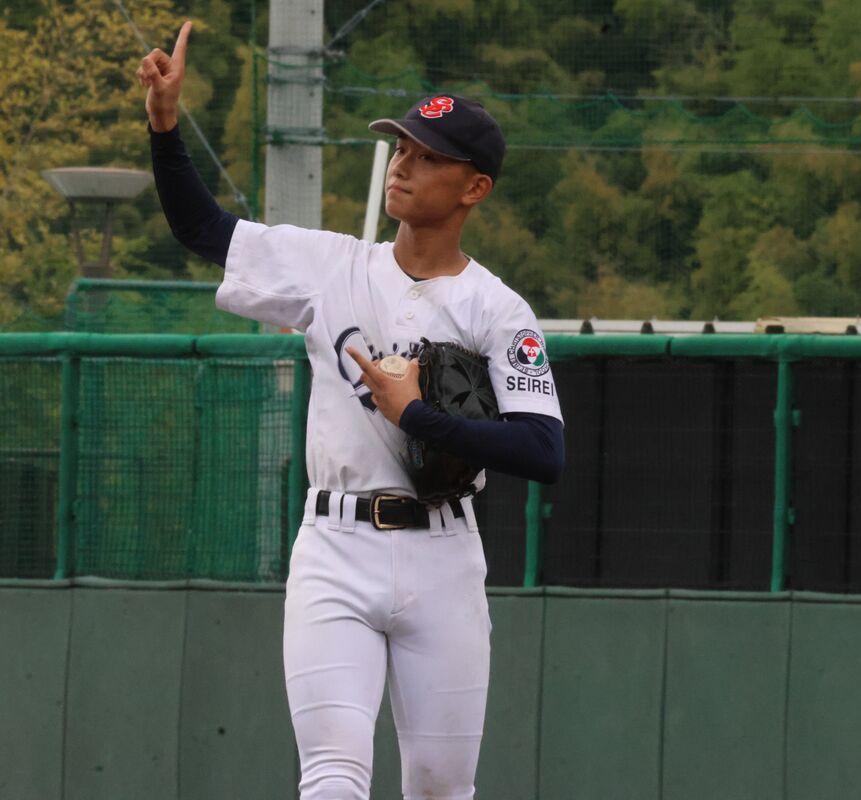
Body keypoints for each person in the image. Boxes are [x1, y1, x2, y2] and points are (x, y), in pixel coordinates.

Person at [138, 22, 565, 800]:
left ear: (474, 188)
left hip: (444, 556)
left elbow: (543, 452)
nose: (404, 163)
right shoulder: (329, 267)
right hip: (335, 548)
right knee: (333, 779)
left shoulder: (498, 310)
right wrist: (165, 126)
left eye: (429, 155)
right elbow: (200, 228)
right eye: (401, 147)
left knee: (441, 790)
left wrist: (420, 418)